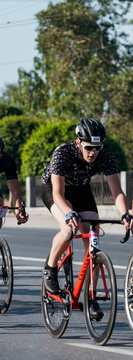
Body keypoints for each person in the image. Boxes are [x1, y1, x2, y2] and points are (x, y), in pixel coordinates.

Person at [41, 119, 132, 307]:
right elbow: (58, 194)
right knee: (68, 231)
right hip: (54, 190)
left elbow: (117, 191)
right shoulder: (63, 153)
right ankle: (50, 268)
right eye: (89, 148)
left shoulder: (105, 155)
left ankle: (91, 296)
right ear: (78, 143)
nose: (93, 153)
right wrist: (69, 213)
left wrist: (125, 213)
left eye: (97, 148)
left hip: (82, 191)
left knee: (93, 242)